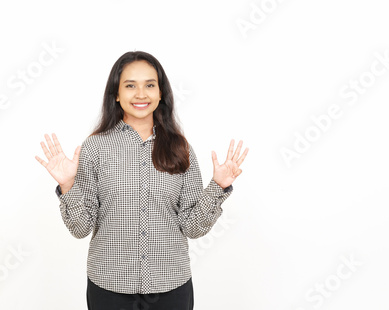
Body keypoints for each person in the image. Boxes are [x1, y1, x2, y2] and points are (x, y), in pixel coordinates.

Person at [35, 51, 249, 310]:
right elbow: (80, 229)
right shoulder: (95, 147)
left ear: (161, 93)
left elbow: (193, 228)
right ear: (116, 94)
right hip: (109, 286)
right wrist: (68, 185)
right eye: (130, 85)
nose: (141, 94)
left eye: (149, 85)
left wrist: (218, 186)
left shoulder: (180, 148)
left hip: (171, 287)